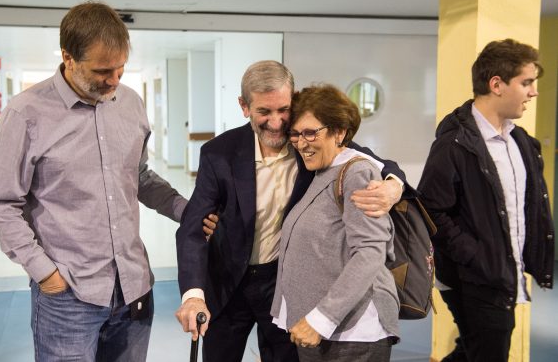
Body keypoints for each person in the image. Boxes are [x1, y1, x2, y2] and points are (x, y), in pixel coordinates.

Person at [0, 1, 214, 361]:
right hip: (68, 298)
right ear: (68, 57)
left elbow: (138, 177)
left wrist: (188, 210)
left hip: (134, 290)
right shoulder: (25, 113)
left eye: (120, 68)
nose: (114, 80)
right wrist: (44, 273)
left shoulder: (130, 103)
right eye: (103, 70)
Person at [175, 60, 407, 362]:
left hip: (284, 286)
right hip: (228, 284)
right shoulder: (219, 153)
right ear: (244, 107)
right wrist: (193, 295)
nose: (276, 122)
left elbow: (373, 162)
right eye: (264, 111)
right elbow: (192, 230)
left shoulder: (309, 143)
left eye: (283, 109)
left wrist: (395, 185)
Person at [417, 39, 554, 362]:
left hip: (506, 273)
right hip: (476, 277)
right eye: (526, 83)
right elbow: (430, 209)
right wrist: (475, 255)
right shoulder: (453, 144)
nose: (533, 92)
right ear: (496, 84)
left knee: (473, 350)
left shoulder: (521, 142)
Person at [271, 84, 399, 362]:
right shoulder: (324, 170)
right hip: (324, 332)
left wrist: (321, 319)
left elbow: (369, 254)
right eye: (295, 134)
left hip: (351, 336)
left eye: (310, 132)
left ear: (339, 132)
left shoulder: (356, 173)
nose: (301, 143)